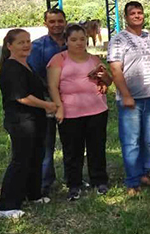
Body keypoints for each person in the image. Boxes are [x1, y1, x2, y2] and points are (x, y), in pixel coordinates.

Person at [0, 29, 57, 219]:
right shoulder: (11, 67)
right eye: (21, 42)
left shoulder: (26, 65)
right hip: (21, 121)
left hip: (35, 120)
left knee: (35, 157)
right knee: (21, 161)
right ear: (9, 46)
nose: (26, 45)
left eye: (28, 41)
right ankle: (5, 206)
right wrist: (47, 105)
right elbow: (21, 97)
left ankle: (33, 194)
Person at [47, 24, 111, 201]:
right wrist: (59, 107)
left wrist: (102, 76)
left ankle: (99, 181)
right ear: (66, 41)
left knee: (96, 147)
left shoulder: (94, 59)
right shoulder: (58, 59)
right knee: (72, 150)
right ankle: (74, 184)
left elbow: (109, 81)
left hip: (97, 109)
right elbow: (52, 86)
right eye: (74, 40)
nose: (79, 43)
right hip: (70, 112)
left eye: (82, 39)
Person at [107, 1, 150, 195]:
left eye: (140, 13)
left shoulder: (148, 37)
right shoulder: (119, 39)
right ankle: (132, 181)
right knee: (131, 141)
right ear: (126, 17)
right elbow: (115, 68)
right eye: (132, 13)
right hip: (131, 99)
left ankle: (145, 173)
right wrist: (126, 95)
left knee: (147, 139)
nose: (137, 16)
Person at [27, 8, 66, 197]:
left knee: (72, 142)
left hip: (72, 100)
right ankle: (44, 183)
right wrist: (52, 93)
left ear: (65, 21)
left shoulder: (74, 42)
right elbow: (34, 75)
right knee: (46, 143)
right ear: (46, 24)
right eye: (52, 22)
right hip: (47, 101)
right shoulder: (38, 47)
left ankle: (72, 178)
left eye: (60, 21)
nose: (57, 25)